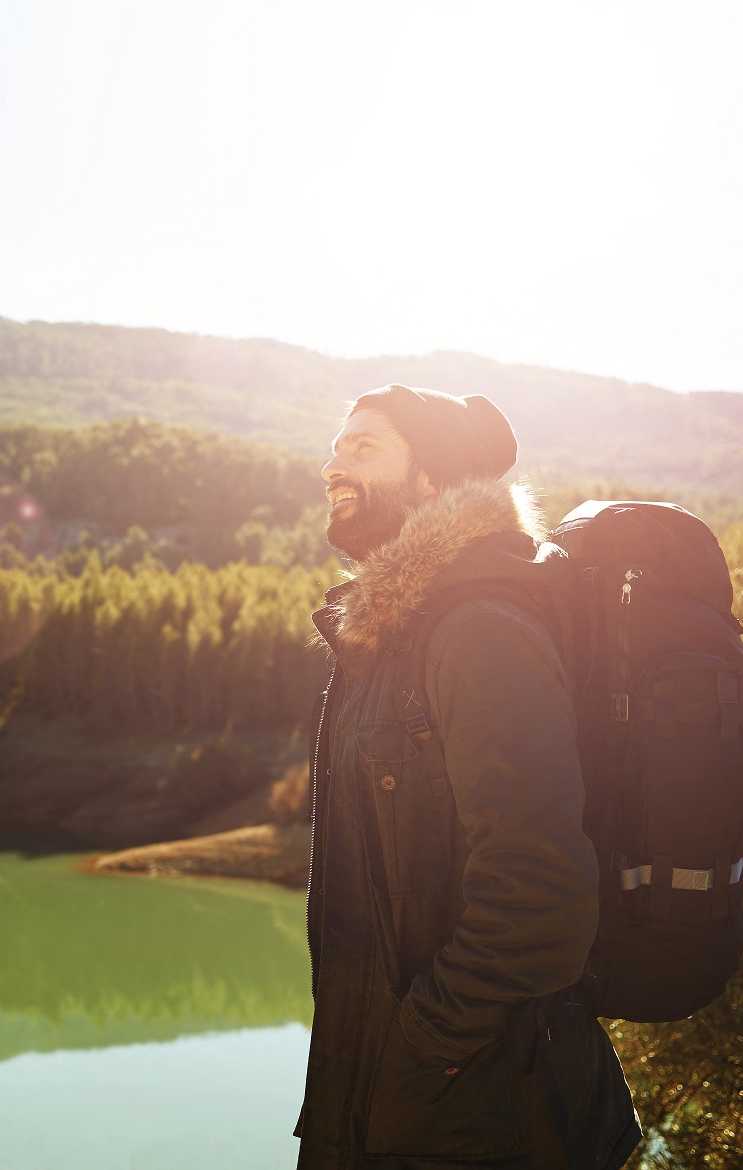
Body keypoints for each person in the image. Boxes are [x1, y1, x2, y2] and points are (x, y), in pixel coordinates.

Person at [294, 385, 640, 1170]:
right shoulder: (391, 636)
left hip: (479, 1123)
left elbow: (539, 896)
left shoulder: (480, 629)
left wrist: (418, 1053)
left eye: (363, 447)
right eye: (336, 445)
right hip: (392, 1110)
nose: (331, 465)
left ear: (430, 482)